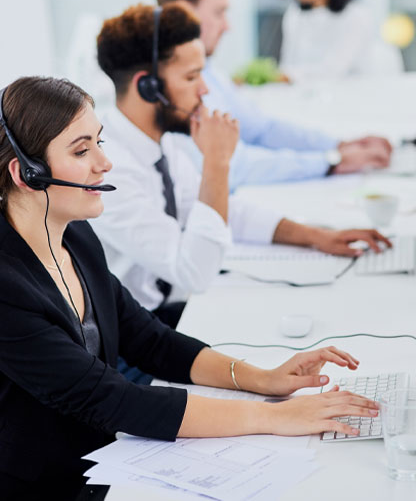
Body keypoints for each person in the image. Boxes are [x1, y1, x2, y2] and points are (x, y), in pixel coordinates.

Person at [0, 76, 380, 501]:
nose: (104, 163)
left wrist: (264, 378)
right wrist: (276, 417)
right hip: (49, 486)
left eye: (99, 142)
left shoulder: (75, 236)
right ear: (27, 174)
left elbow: (149, 340)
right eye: (81, 150)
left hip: (108, 458)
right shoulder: (7, 287)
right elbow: (111, 399)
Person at [94, 0, 389, 325]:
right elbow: (193, 272)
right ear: (148, 88)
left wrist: (316, 237)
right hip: (138, 340)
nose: (204, 90)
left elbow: (222, 211)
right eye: (192, 77)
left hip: (175, 314)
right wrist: (217, 162)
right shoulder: (108, 170)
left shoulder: (164, 141)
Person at [155, 0, 392, 191]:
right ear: (183, 13)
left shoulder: (210, 71)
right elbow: (234, 165)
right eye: (219, 13)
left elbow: (261, 128)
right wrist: (330, 161)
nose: (227, 26)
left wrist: (338, 145)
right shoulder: (172, 88)